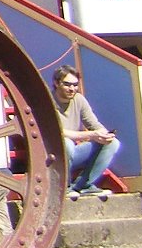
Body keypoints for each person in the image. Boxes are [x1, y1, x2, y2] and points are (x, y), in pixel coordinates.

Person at [51, 67, 119, 197]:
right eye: (67, 84)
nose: (72, 89)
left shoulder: (79, 100)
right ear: (56, 83)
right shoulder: (47, 100)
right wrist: (91, 135)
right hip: (52, 156)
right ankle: (64, 187)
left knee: (112, 143)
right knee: (66, 143)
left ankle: (84, 185)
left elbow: (94, 125)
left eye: (75, 85)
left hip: (72, 154)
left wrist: (104, 135)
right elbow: (57, 133)